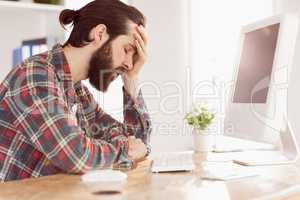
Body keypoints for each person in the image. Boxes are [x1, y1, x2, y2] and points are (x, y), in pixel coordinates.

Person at [0, 0, 151, 182]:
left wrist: (132, 78)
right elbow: (76, 155)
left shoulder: (78, 91)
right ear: (100, 34)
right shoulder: (34, 76)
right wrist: (126, 151)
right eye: (127, 49)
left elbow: (137, 142)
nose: (128, 63)